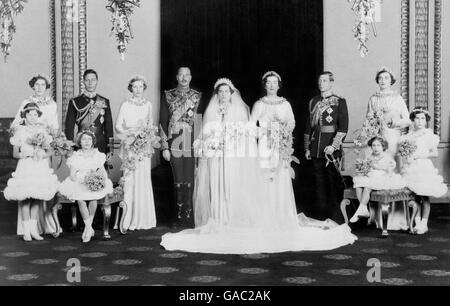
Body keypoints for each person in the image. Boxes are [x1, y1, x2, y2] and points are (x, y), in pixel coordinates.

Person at [160, 77, 357, 254]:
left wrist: (279, 133)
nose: (223, 94)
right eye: (220, 92)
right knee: (257, 181)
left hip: (277, 146)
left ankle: (279, 217)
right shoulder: (256, 104)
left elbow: (291, 124)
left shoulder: (285, 104)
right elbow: (250, 127)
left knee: (279, 180)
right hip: (257, 146)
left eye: (274, 83)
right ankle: (229, 218)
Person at [10, 74, 60, 235]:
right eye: (37, 85)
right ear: (33, 86)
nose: (40, 88)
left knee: (40, 193)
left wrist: (46, 138)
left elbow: (54, 127)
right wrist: (26, 147)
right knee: (26, 195)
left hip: (41, 157)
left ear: (46, 87)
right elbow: (16, 125)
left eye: (43, 85)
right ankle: (26, 230)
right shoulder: (26, 103)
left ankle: (39, 228)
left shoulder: (51, 103)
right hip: (26, 162)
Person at [159, 67, 202, 228]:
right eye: (181, 75)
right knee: (177, 179)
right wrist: (164, 147)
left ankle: (189, 216)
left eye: (187, 75)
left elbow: (198, 121)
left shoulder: (197, 96)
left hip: (191, 141)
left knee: (190, 178)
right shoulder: (168, 95)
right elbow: (162, 121)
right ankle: (177, 216)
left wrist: (199, 144)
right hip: (174, 141)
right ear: (177, 77)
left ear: (190, 77)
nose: (184, 78)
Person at [304, 71, 349, 224]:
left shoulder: (339, 101)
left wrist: (333, 146)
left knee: (332, 183)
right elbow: (308, 126)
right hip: (316, 147)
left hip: (331, 149)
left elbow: (343, 127)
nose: (321, 83)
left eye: (324, 80)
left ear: (331, 83)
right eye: (320, 81)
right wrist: (307, 148)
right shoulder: (313, 101)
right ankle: (321, 216)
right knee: (318, 184)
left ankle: (336, 217)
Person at [115, 76, 157, 231]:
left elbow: (151, 124)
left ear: (144, 88)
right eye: (135, 87)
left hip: (144, 146)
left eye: (141, 87)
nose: (138, 90)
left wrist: (145, 135)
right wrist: (130, 133)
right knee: (130, 179)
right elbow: (118, 126)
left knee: (143, 179)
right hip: (130, 145)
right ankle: (127, 220)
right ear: (130, 88)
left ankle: (143, 218)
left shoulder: (148, 105)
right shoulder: (125, 105)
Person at [59, 130, 113, 242]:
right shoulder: (75, 155)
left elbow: (103, 172)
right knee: (80, 200)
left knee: (93, 198)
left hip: (94, 180)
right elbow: (72, 175)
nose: (87, 142)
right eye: (84, 139)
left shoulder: (98, 155)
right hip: (80, 181)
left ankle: (87, 229)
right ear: (80, 142)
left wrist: (99, 180)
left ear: (93, 141)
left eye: (89, 139)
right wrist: (82, 180)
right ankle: (89, 228)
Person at [400, 108, 447, 234]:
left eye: (422, 119)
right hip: (411, 167)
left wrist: (419, 156)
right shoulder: (408, 136)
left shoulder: (429, 135)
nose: (420, 121)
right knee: (414, 196)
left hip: (423, 166)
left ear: (426, 121)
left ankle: (424, 223)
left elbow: (435, 153)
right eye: (417, 118)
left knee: (424, 196)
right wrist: (408, 157)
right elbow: (405, 152)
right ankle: (417, 222)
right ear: (413, 120)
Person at [351, 136, 406, 223]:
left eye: (378, 145)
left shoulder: (388, 157)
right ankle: (363, 209)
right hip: (371, 176)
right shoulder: (369, 156)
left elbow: (389, 173)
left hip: (383, 178)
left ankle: (360, 211)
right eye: (374, 145)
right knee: (358, 186)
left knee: (367, 187)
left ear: (383, 146)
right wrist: (365, 170)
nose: (376, 148)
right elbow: (367, 168)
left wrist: (378, 169)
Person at [65, 69, 114, 155]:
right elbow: (69, 126)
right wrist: (69, 146)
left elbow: (108, 127)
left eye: (93, 80)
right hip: (81, 143)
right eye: (87, 80)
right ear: (83, 81)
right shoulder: (75, 101)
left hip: (100, 145)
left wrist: (110, 148)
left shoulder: (104, 101)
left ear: (97, 81)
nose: (90, 83)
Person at [366, 67, 410, 157]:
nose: (383, 80)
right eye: (380, 78)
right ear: (377, 81)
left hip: (394, 138)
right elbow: (368, 120)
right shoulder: (373, 99)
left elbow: (407, 120)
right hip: (378, 140)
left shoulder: (398, 98)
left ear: (391, 81)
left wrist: (394, 122)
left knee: (392, 165)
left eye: (386, 78)